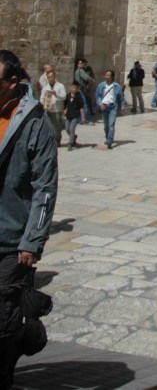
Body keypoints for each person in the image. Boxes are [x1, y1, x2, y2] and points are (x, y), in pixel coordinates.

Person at [0, 49, 58, 388]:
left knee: (3, 315)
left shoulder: (35, 124)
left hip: (11, 239)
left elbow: (44, 187)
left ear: (11, 82)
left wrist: (33, 240)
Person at [95, 69, 124, 149]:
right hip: (104, 107)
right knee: (106, 126)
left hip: (112, 107)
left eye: (108, 75)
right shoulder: (101, 85)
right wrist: (100, 104)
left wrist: (122, 107)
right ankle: (108, 137)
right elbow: (97, 95)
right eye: (106, 75)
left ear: (112, 77)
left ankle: (110, 140)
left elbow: (120, 97)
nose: (106, 76)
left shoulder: (116, 86)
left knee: (111, 125)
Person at [39, 68, 66, 146]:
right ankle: (51, 142)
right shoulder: (45, 88)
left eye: (52, 77)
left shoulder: (60, 86)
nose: (50, 78)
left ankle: (57, 140)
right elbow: (42, 97)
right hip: (48, 110)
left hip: (57, 110)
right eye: (49, 77)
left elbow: (64, 97)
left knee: (57, 128)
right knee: (49, 127)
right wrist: (43, 103)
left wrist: (56, 94)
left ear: (55, 77)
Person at [63, 80, 86, 150]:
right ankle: (73, 137)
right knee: (67, 129)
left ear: (77, 89)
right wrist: (64, 110)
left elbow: (81, 107)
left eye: (76, 88)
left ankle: (70, 143)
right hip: (68, 115)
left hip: (75, 116)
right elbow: (65, 105)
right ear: (70, 87)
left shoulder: (79, 96)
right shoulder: (68, 96)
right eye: (73, 87)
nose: (74, 89)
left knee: (72, 128)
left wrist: (83, 116)